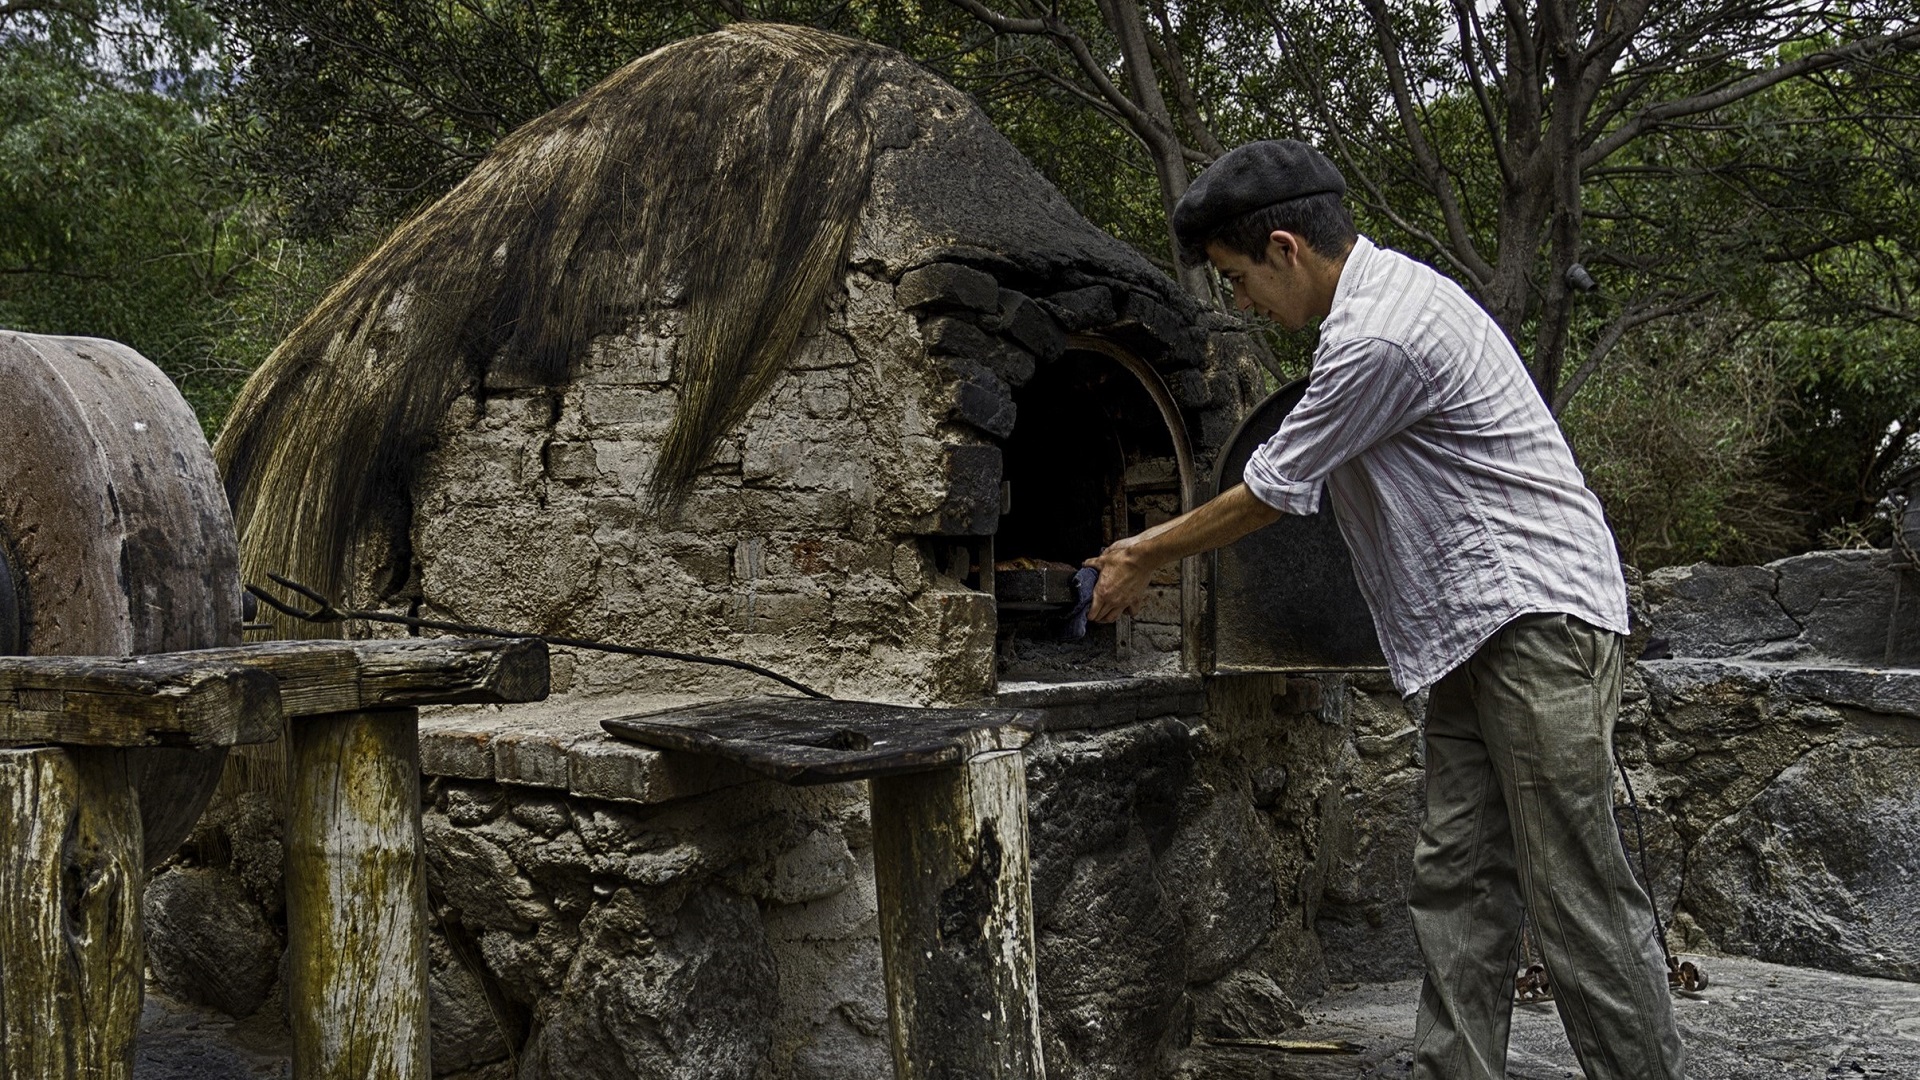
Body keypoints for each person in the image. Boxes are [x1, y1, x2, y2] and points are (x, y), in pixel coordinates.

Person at [1085, 140, 1686, 1080]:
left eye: (1239, 278)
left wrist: (1142, 551)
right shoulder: (1376, 305)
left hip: (1535, 625)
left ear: (1286, 249)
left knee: (1574, 896)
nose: (1240, 302)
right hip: (1469, 636)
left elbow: (1271, 490)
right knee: (1456, 881)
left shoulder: (1381, 336)